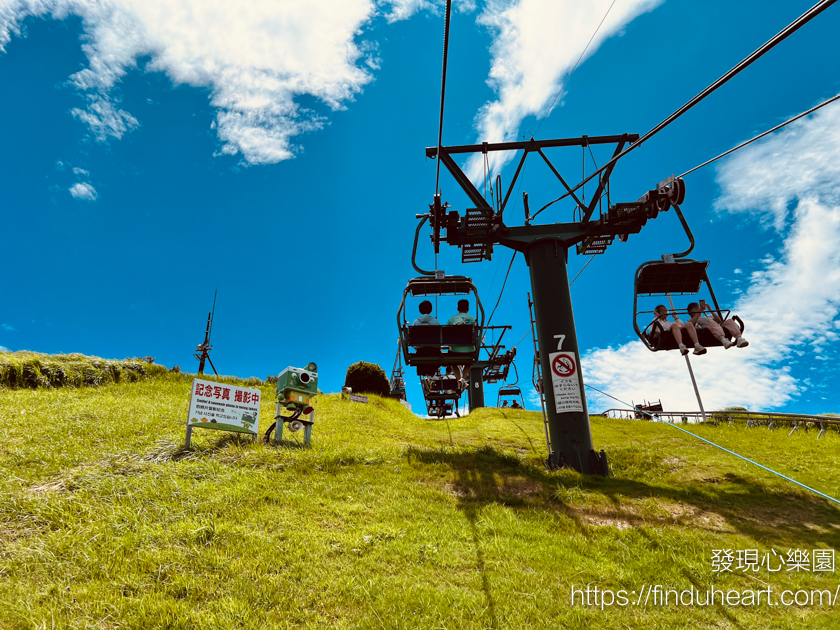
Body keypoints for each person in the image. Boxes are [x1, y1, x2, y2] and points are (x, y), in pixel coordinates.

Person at [446, 298, 477, 384]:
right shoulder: (473, 319)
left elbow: (446, 334)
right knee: (469, 362)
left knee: (452, 362)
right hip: (469, 350)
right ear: (468, 309)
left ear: (458, 309)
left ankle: (459, 378)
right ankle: (463, 377)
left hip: (454, 350)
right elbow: (477, 335)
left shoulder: (451, 319)